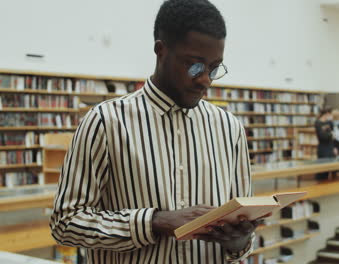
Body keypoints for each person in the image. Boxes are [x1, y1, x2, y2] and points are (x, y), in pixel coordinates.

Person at [49, 1, 258, 263]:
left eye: (214, 68)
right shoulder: (105, 122)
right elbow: (66, 223)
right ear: (161, 50)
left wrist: (238, 241)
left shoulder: (230, 129)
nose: (205, 80)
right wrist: (154, 222)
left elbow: (241, 233)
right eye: (194, 66)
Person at [315, 108, 334, 180]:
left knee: (329, 166)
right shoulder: (318, 123)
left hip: (330, 146)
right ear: (326, 114)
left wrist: (330, 134)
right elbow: (322, 136)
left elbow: (332, 132)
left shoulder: (329, 122)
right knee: (322, 166)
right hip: (322, 147)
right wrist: (330, 134)